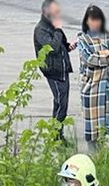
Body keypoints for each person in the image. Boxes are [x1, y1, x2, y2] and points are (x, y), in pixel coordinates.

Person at [78, 6, 109, 149]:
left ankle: (103, 155)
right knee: (92, 125)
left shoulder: (107, 37)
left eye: (97, 20)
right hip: (90, 87)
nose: (95, 23)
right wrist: (104, 55)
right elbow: (89, 59)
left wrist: (102, 56)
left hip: (105, 87)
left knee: (105, 126)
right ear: (87, 21)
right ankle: (92, 153)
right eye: (92, 20)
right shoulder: (82, 39)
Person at [34, 0, 74, 138]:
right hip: (53, 72)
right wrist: (58, 29)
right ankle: (55, 136)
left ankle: (57, 134)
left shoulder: (52, 26)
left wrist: (68, 47)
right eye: (55, 11)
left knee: (61, 104)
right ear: (46, 12)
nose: (58, 14)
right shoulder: (41, 29)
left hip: (62, 69)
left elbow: (60, 45)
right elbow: (52, 47)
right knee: (61, 104)